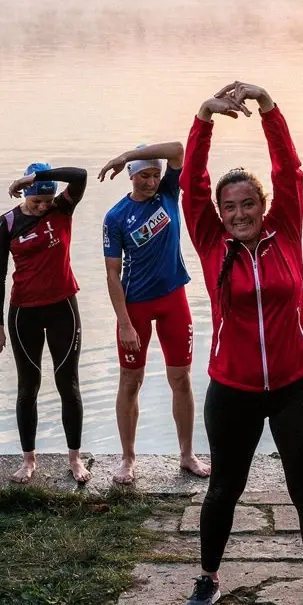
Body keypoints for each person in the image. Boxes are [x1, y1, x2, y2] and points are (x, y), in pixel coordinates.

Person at [178, 80, 303, 605]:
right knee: (223, 489)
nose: (239, 213)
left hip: (296, 384)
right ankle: (208, 578)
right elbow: (191, 184)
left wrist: (269, 106)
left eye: (248, 204)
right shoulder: (210, 241)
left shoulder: (285, 231)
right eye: (230, 207)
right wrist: (204, 117)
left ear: (264, 206)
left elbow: (289, 170)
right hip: (233, 388)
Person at [99, 137, 208, 484]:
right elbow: (112, 274)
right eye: (143, 175)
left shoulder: (168, 193)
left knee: (181, 379)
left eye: (154, 175)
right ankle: (128, 458)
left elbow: (177, 149)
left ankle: (187, 454)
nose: (150, 182)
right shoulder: (116, 217)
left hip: (174, 299)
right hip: (136, 305)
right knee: (131, 380)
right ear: (131, 176)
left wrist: (127, 154)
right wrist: (124, 323)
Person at [0, 162, 91, 485]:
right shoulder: (6, 223)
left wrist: (37, 178)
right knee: (28, 386)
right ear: (25, 197)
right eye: (36, 201)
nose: (43, 207)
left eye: (47, 200)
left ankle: (74, 459)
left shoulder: (63, 207)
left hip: (63, 309)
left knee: (68, 385)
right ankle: (28, 460)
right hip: (24, 314)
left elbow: (80, 175)